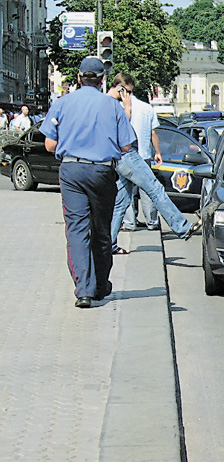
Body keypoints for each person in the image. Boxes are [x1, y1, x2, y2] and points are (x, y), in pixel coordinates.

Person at [40, 57, 137, 308]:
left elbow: (49, 145)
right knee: (102, 230)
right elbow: (126, 145)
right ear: (103, 79)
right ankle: (101, 286)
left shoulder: (62, 103)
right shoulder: (113, 106)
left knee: (76, 230)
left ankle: (83, 289)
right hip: (102, 172)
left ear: (80, 77)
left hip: (71, 170)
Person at [107, 73, 201, 253]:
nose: (129, 96)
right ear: (119, 87)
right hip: (129, 154)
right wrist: (127, 108)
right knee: (155, 189)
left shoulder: (107, 103)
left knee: (121, 201)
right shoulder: (118, 105)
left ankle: (109, 244)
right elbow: (124, 128)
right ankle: (182, 227)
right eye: (127, 91)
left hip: (119, 156)